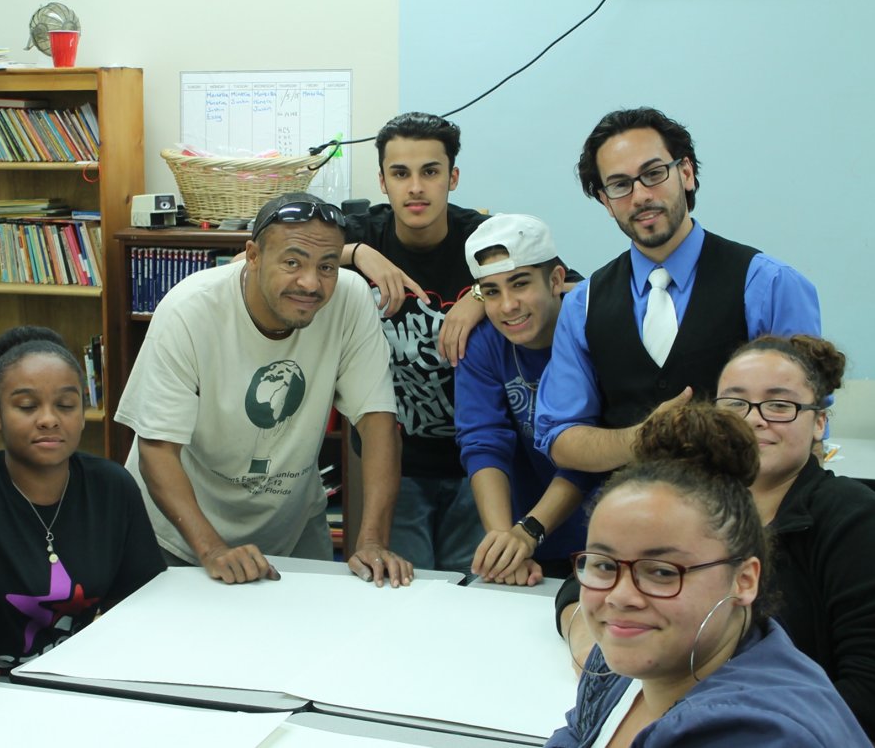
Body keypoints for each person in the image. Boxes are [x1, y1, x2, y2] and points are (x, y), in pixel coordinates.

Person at [115, 193, 411, 587]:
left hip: (291, 524)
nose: (311, 283)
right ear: (252, 256)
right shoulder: (189, 309)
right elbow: (157, 449)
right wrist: (213, 550)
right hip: (179, 533)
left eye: (327, 266)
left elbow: (377, 424)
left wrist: (372, 541)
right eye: (292, 262)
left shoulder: (350, 299)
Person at [547, 403, 867, 746]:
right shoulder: (638, 655)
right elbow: (577, 734)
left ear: (745, 580)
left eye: (661, 572)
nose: (620, 596)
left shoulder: (758, 736)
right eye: (605, 565)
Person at [536, 106, 821, 475]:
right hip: (628, 519)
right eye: (620, 185)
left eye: (653, 174)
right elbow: (560, 437)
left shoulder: (769, 285)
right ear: (606, 201)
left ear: (685, 173)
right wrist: (643, 438)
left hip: (746, 521)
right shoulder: (582, 305)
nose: (640, 196)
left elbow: (807, 427)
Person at [0, 326, 164, 704]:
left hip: (68, 691)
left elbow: (140, 610)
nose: (49, 419)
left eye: (66, 405)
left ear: (83, 414)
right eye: (27, 406)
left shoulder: (112, 488)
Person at [713, 334, 875, 745]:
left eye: (780, 405)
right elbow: (595, 577)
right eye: (735, 403)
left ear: (820, 422)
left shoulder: (861, 525)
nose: (754, 419)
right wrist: (582, 630)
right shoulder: (690, 503)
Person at [339, 112, 488, 572]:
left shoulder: (485, 239)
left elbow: (561, 284)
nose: (416, 188)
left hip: (479, 467)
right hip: (394, 467)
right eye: (400, 174)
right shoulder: (365, 233)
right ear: (382, 181)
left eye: (431, 172)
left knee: (474, 596)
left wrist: (484, 293)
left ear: (453, 177)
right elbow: (268, 251)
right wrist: (357, 254)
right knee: (400, 591)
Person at [454, 214, 598, 583]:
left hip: (605, 540)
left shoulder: (594, 332)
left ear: (555, 280)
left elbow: (589, 455)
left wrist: (529, 532)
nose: (508, 306)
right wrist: (504, 541)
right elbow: (482, 441)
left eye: (520, 284)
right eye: (491, 291)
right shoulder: (483, 342)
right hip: (531, 539)